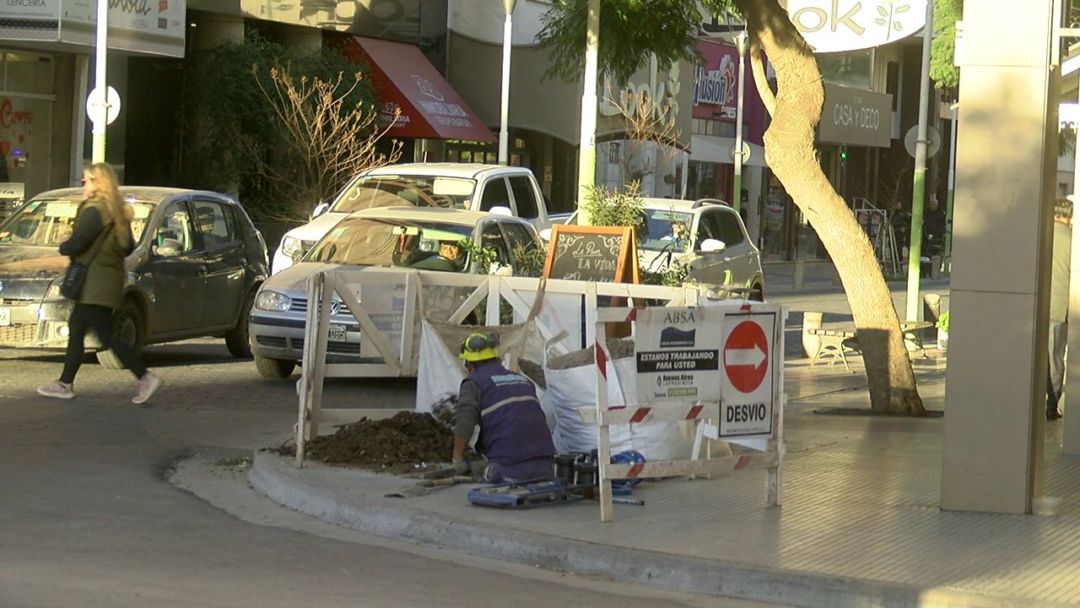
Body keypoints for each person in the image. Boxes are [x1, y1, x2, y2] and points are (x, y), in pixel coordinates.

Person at [36, 163, 162, 405]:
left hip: (94, 285)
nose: (83, 185)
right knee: (78, 328)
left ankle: (144, 377)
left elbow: (77, 244)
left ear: (98, 182)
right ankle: (65, 383)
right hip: (107, 283)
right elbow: (128, 247)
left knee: (106, 337)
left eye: (86, 181)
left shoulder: (95, 210)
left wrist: (63, 245)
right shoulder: (117, 211)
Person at [452, 333, 555, 483]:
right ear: (497, 360)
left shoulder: (473, 383)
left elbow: (465, 423)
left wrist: (457, 459)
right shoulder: (523, 380)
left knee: (484, 471)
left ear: (469, 365)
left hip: (509, 467)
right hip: (546, 466)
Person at [1047, 197, 1072, 421]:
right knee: (1055, 355)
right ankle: (1052, 404)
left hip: (1038, 306)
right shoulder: (1071, 239)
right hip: (1059, 307)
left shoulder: (1042, 235)